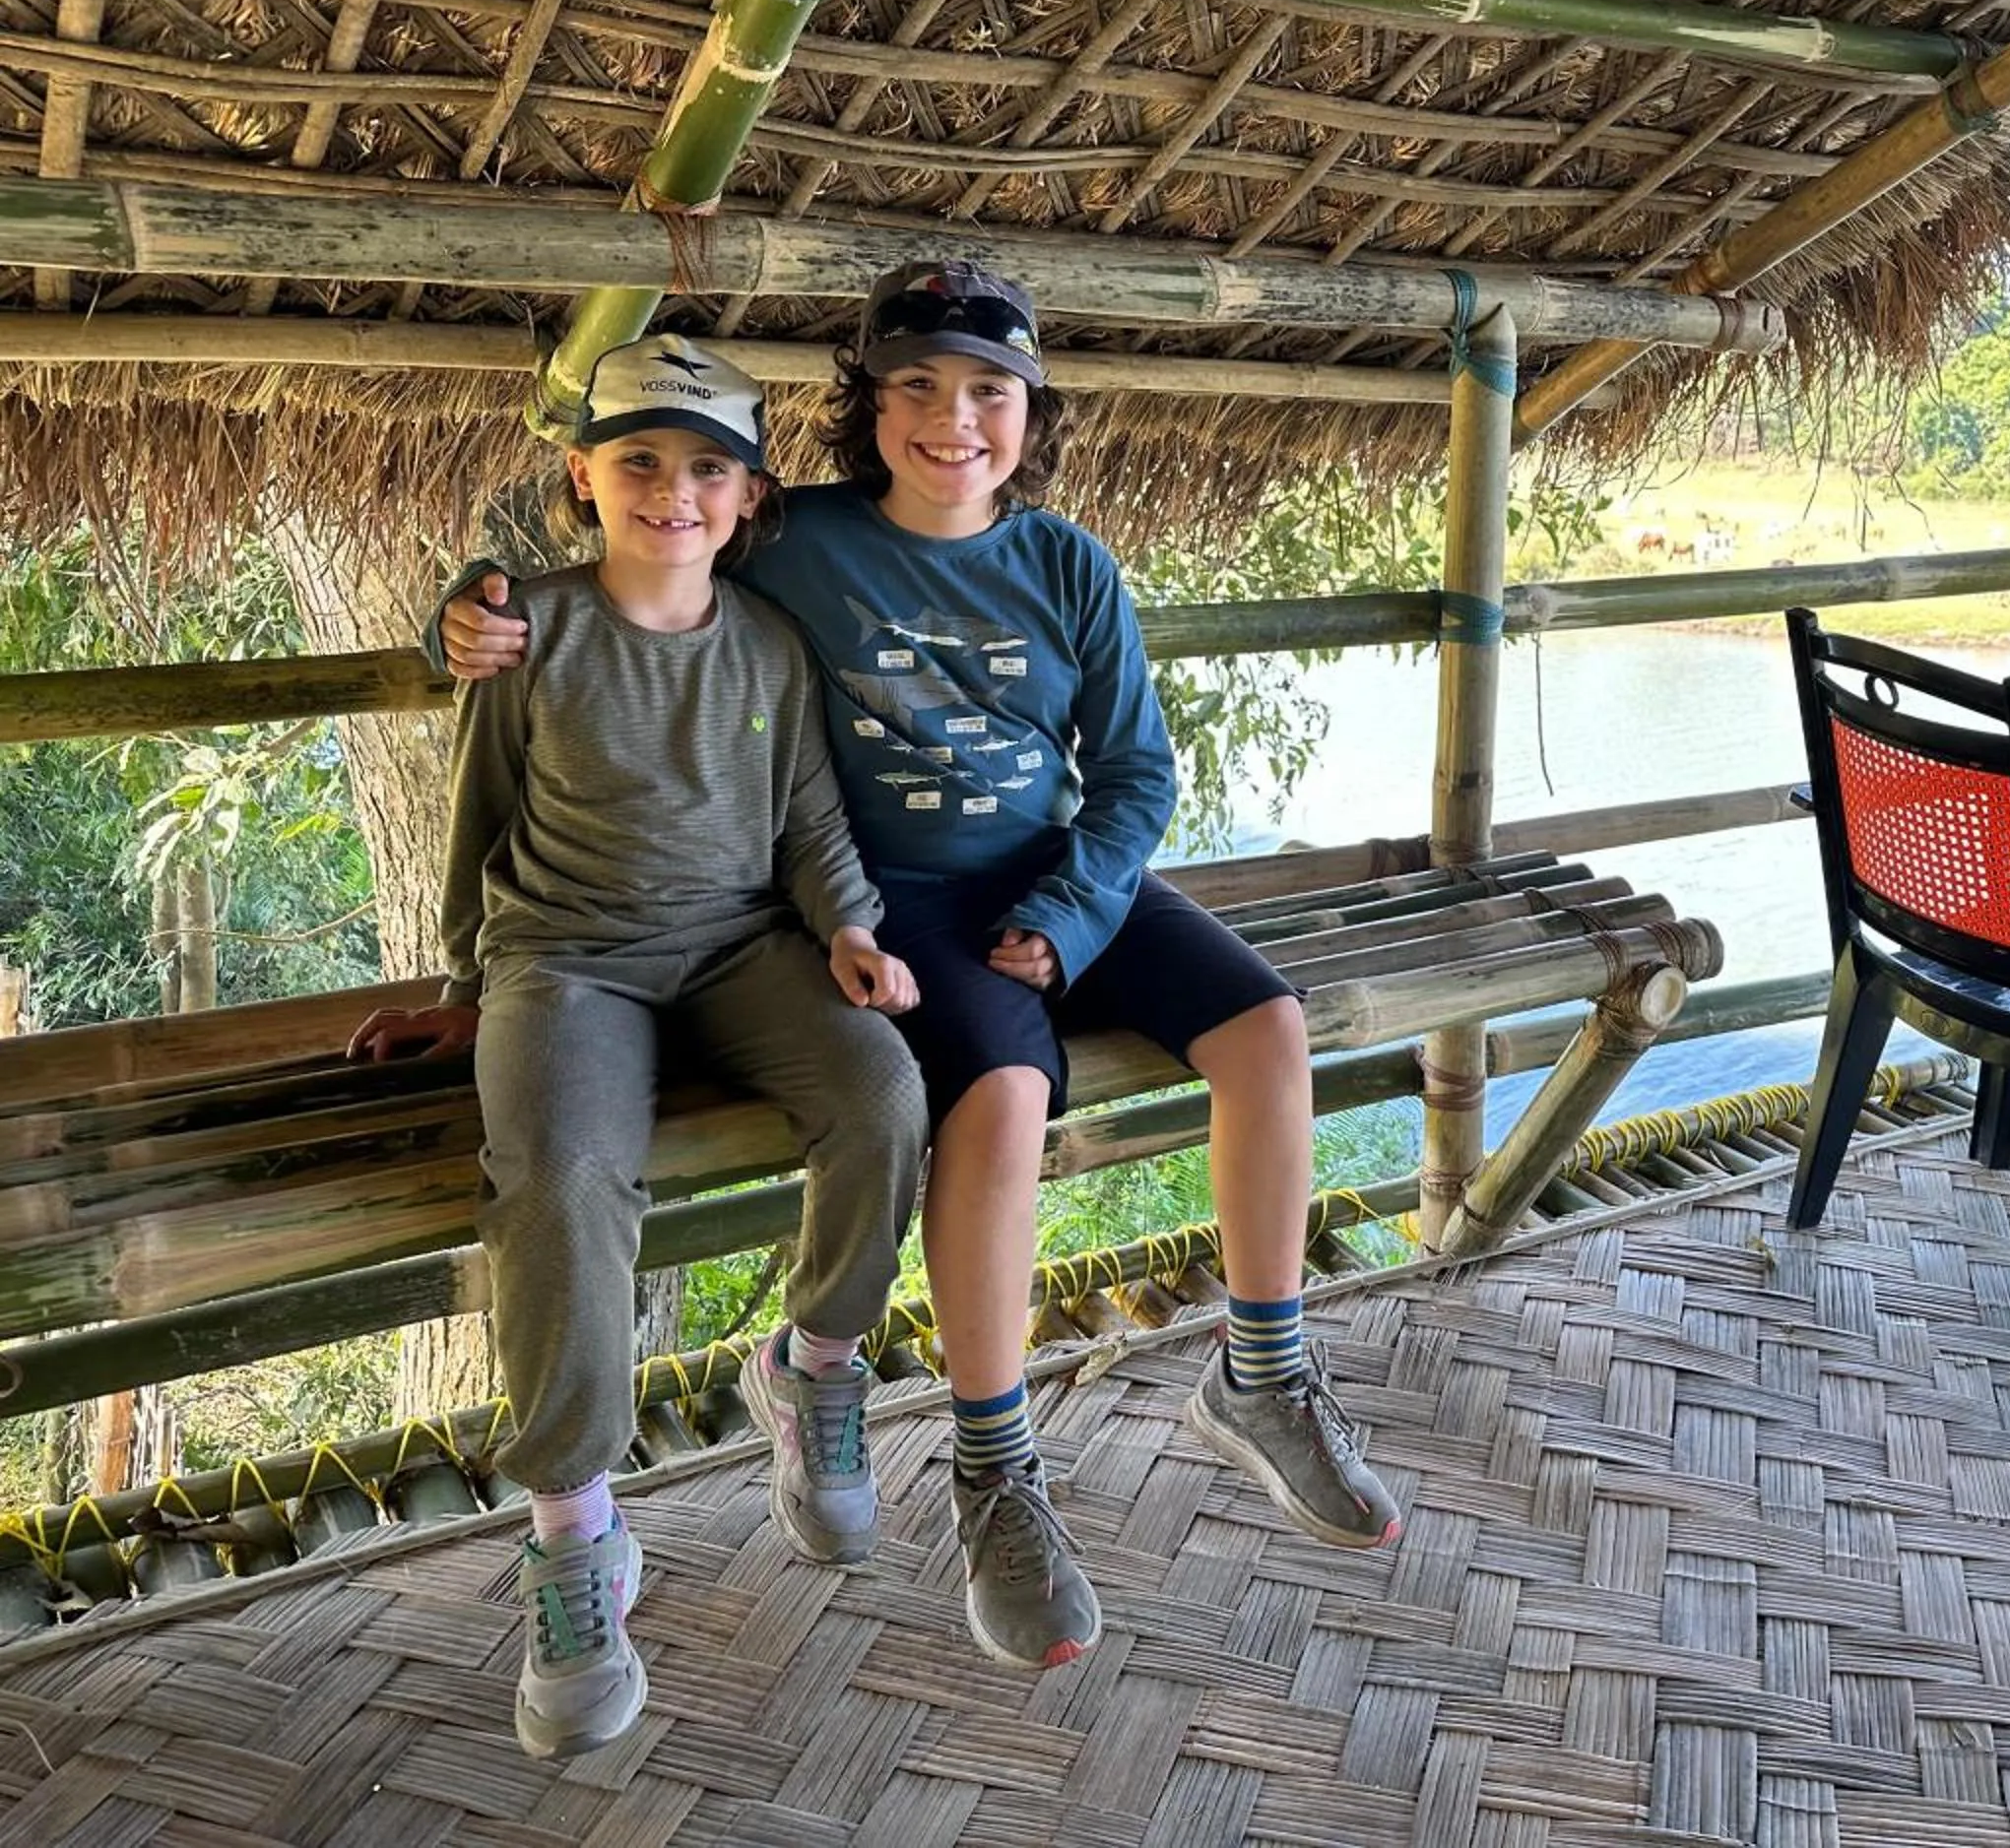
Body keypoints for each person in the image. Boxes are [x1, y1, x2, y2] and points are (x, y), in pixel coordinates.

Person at [435, 265, 1399, 1676]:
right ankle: (994, 1466)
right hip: (903, 905)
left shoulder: (1067, 561)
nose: (955, 420)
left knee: (1268, 1027)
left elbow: (1136, 774)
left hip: (1055, 873)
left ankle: (1263, 1371)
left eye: (989, 392)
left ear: (1031, 414)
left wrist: (1075, 911)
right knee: (1000, 1096)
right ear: (867, 407)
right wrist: (470, 601)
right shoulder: (796, 536)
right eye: (919, 388)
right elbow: (633, 545)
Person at [356, 336, 930, 1759]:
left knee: (882, 1090)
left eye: (707, 470)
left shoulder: (772, 645)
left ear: (746, 499)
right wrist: (460, 984)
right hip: (564, 957)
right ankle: (576, 1538)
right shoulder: (524, 628)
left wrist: (850, 929)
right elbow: (476, 825)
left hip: (744, 947)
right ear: (584, 478)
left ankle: (816, 1360)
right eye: (640, 463)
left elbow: (806, 823)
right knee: (557, 1176)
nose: (673, 493)